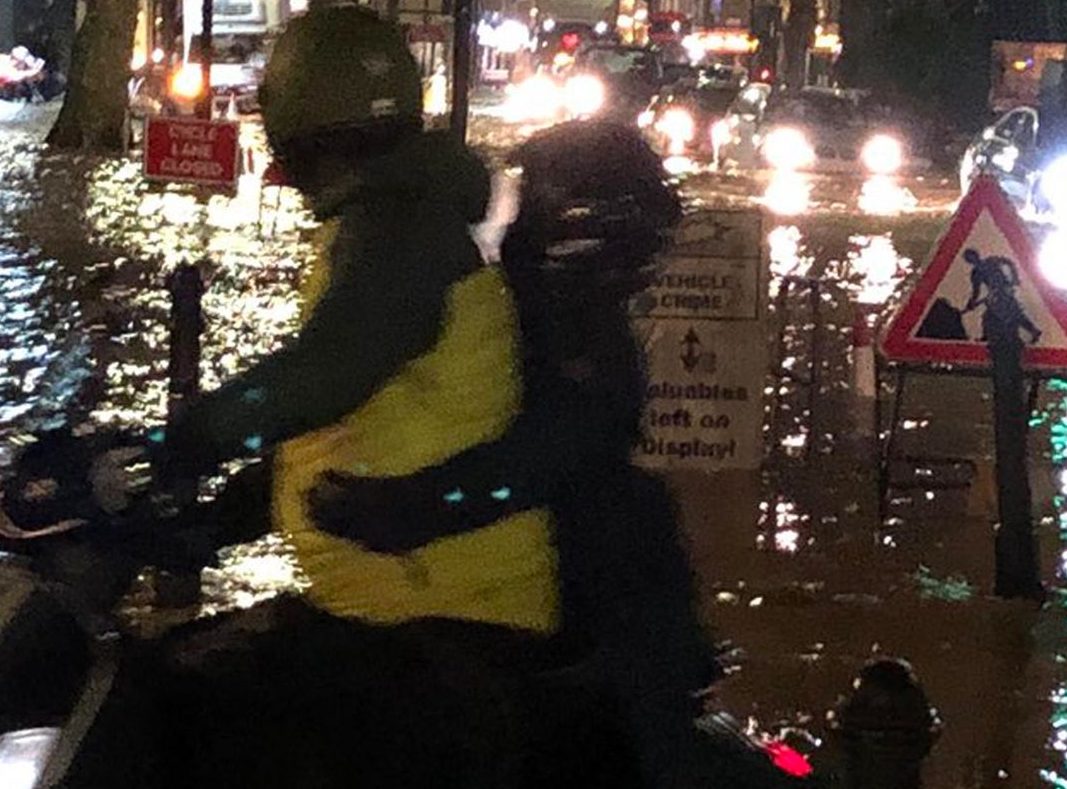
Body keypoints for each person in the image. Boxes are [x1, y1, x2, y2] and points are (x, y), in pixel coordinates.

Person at [308, 121, 793, 788]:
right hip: (522, 608)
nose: (516, 219)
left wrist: (408, 508)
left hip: (600, 625)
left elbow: (538, 461)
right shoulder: (508, 308)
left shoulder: (584, 349)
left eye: (533, 203)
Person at [157, 5, 563, 787]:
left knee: (191, 714)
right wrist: (223, 515)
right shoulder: (414, 213)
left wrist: (182, 442)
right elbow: (358, 411)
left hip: (434, 628)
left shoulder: (397, 229)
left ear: (294, 127)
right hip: (409, 608)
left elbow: (327, 374)